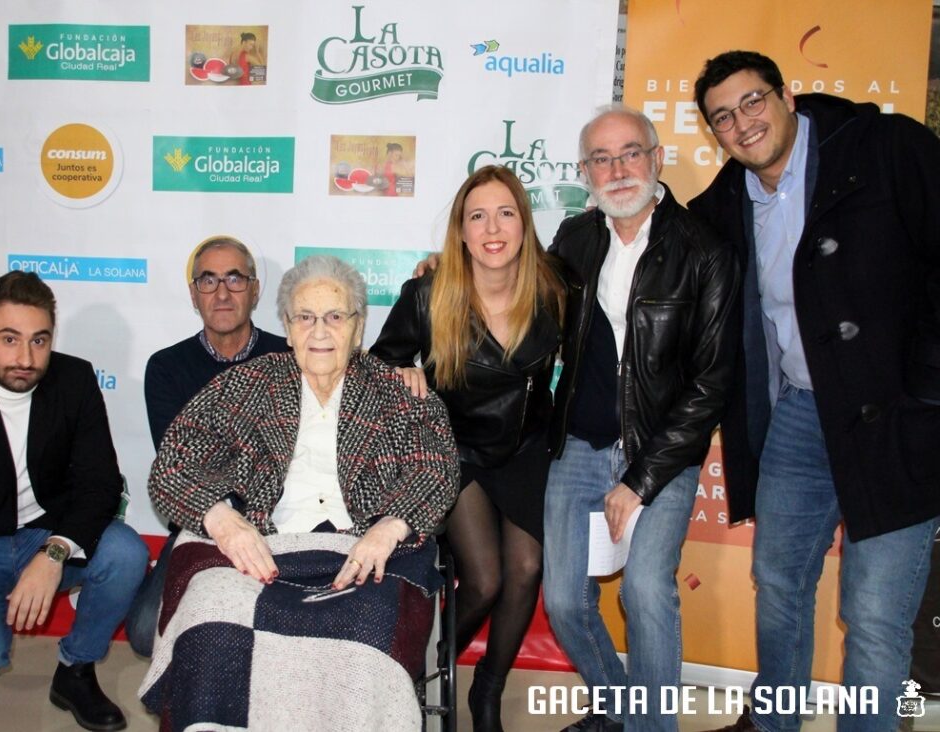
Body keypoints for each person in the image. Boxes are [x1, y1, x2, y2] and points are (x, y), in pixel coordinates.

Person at [689, 50, 940, 732]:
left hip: (897, 420)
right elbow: (648, 258)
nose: (742, 124)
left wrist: (927, 394)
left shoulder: (887, 148)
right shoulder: (724, 206)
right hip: (800, 417)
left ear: (786, 96)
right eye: (722, 117)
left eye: (752, 102)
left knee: (875, 613)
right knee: (778, 583)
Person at [140, 255, 459, 731]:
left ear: (358, 327)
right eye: (304, 317)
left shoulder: (397, 393)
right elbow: (173, 463)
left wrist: (390, 528)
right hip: (266, 547)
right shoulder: (248, 384)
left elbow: (437, 468)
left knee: (366, 631)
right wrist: (224, 521)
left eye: (335, 316)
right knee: (211, 619)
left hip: (362, 551)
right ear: (287, 329)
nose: (320, 331)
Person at [543, 105, 738, 732]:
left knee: (645, 591)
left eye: (630, 153)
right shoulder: (573, 240)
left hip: (662, 451)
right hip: (578, 443)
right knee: (564, 601)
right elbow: (514, 303)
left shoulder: (704, 249)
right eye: (601, 158)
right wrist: (443, 276)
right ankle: (622, 709)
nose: (617, 168)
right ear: (584, 171)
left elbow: (712, 383)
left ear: (656, 159)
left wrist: (640, 480)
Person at [372, 164, 566, 732]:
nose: (492, 227)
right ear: (460, 232)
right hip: (455, 449)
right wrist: (405, 373)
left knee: (527, 568)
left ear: (525, 225)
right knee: (483, 580)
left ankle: (488, 690)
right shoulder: (429, 294)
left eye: (505, 212)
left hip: (527, 444)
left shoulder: (555, 288)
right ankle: (426, 663)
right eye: (476, 216)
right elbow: (379, 365)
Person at [0, 271, 149, 732]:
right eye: (9, 339)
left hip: (48, 530)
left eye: (39, 340)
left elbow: (100, 484)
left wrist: (55, 551)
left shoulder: (74, 380)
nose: (26, 358)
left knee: (127, 552)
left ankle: (75, 670)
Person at [123, 235, 289, 657]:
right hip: (202, 521)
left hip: (280, 520)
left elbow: (291, 457)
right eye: (208, 281)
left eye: (234, 279)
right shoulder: (166, 367)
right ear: (193, 295)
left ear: (255, 289)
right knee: (144, 632)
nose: (221, 292)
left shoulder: (290, 356)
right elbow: (179, 465)